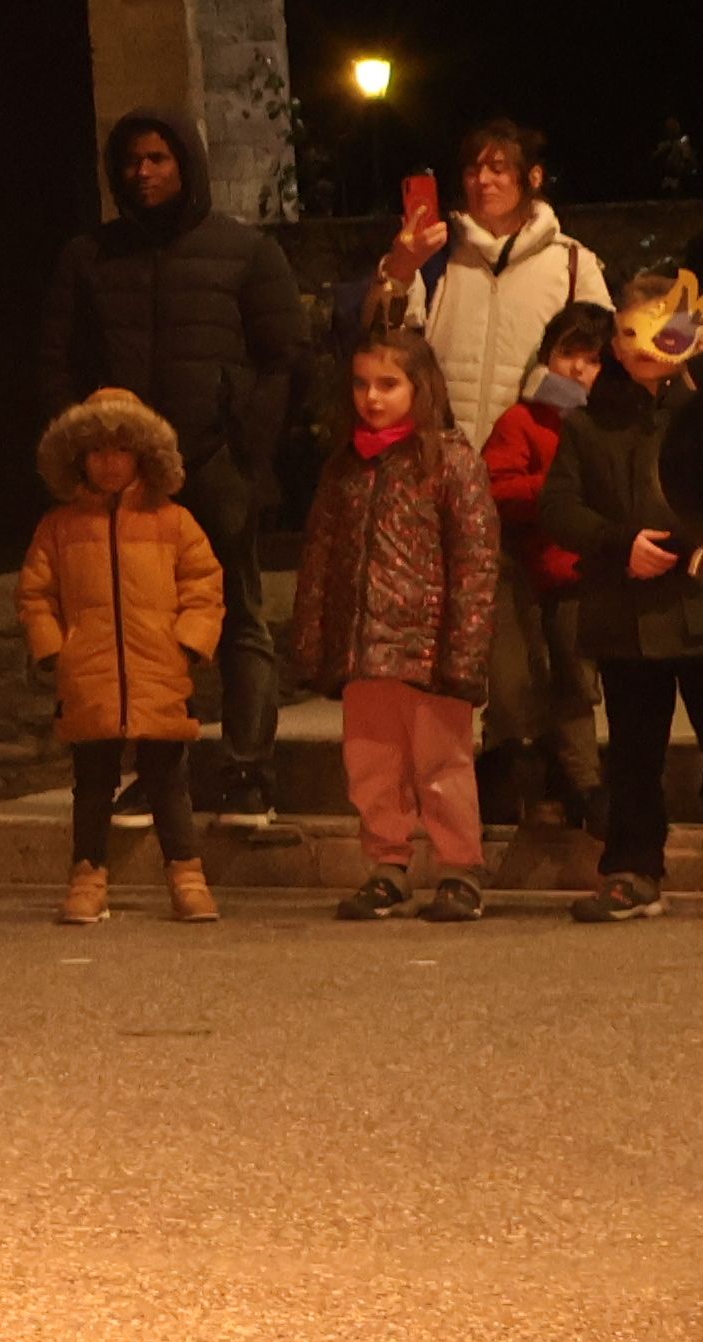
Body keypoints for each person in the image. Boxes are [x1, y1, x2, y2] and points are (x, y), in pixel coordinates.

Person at [31, 111, 309, 825]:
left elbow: (285, 356)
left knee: (240, 615)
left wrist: (247, 441)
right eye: (130, 161)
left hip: (217, 462)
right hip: (120, 478)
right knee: (135, 628)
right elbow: (57, 359)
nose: (143, 172)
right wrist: (81, 448)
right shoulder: (88, 257)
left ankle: (248, 770)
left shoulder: (245, 253)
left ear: (185, 163)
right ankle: (156, 774)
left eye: (158, 158)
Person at [298, 326, 502, 923]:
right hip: (363, 647)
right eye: (361, 384)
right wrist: (315, 639)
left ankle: (459, 866)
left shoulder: (449, 460)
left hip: (429, 646)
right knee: (371, 763)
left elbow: (475, 559)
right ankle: (387, 864)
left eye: (389, 384)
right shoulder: (345, 467)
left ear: (422, 387)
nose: (373, 397)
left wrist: (464, 651)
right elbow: (319, 556)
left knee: (441, 763)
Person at [22, 390, 233, 924]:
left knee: (167, 781)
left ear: (145, 455)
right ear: (78, 457)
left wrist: (187, 641)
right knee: (92, 784)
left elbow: (204, 583)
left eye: (121, 449)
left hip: (157, 669)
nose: (109, 462)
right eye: (96, 450)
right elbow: (36, 593)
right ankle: (87, 878)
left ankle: (187, 875)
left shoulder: (174, 522)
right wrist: (54, 649)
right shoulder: (60, 526)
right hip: (89, 673)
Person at [536, 270, 703, 924]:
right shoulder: (587, 422)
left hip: (695, 606)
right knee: (633, 751)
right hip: (625, 615)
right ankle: (633, 870)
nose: (644, 346)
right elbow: (558, 506)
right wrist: (616, 544)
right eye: (630, 330)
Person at [359, 120, 612, 451]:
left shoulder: (573, 263)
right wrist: (399, 269)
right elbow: (380, 340)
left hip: (532, 461)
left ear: (533, 177)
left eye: (498, 169)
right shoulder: (436, 254)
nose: (482, 181)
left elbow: (603, 360)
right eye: (472, 171)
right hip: (443, 456)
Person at [481, 299, 621, 842]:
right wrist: (556, 492)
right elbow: (495, 487)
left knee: (575, 681)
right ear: (548, 356)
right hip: (521, 571)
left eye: (592, 360)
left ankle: (584, 788)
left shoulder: (605, 425)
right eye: (568, 355)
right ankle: (531, 791)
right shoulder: (522, 419)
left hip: (576, 574)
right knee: (516, 683)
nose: (578, 370)